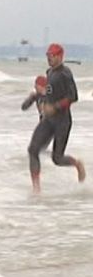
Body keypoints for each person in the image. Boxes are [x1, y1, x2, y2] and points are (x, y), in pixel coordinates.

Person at [27, 44, 85, 194]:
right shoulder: (50, 72)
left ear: (60, 56)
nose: (49, 59)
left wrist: (55, 107)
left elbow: (73, 96)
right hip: (49, 120)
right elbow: (49, 92)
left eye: (51, 56)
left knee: (57, 159)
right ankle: (36, 190)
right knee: (33, 150)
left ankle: (77, 164)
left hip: (62, 121)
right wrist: (43, 103)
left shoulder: (66, 74)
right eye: (47, 56)